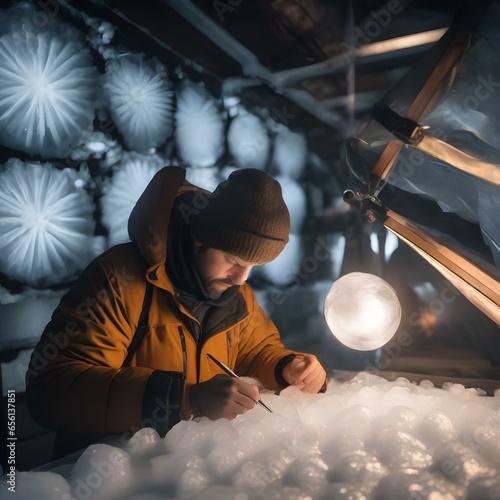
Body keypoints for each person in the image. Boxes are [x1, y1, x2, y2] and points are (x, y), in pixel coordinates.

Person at [26, 166, 327, 456]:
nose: (241, 278)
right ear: (200, 238)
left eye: (253, 266)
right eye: (233, 258)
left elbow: (256, 352)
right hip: (102, 475)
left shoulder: (238, 296)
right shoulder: (121, 277)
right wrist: (185, 399)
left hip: (185, 469)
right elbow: (53, 388)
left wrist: (285, 367)